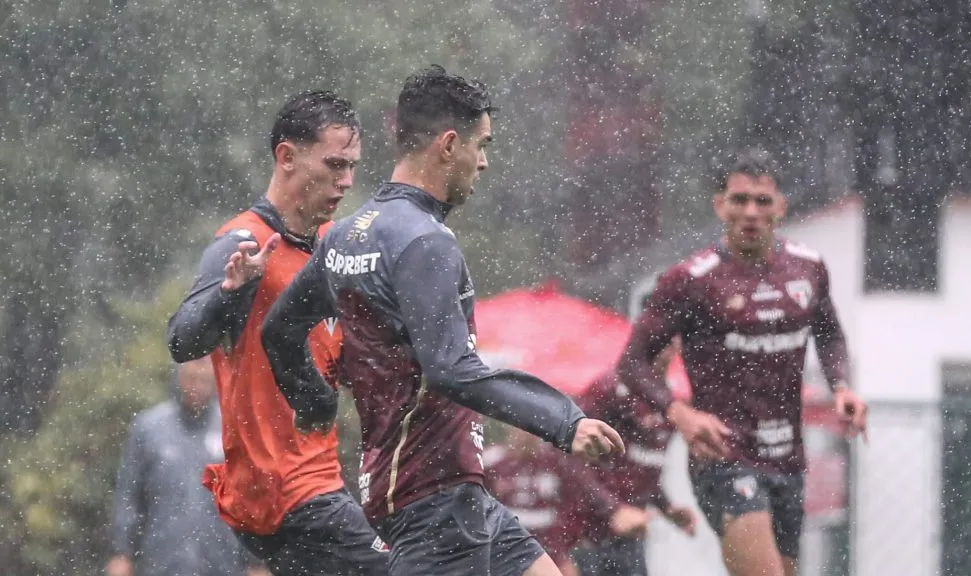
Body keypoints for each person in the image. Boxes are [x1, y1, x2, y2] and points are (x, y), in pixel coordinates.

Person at [260, 65, 624, 576]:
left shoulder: (347, 234)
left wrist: (315, 402)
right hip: (433, 499)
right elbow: (451, 370)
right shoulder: (423, 240)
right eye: (482, 145)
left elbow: (277, 331)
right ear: (449, 145)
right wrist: (565, 422)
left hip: (439, 490)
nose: (485, 162)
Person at [166, 91, 388, 576]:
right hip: (281, 488)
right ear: (286, 157)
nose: (346, 181)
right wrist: (229, 292)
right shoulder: (243, 242)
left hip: (315, 479)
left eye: (351, 166)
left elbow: (339, 363)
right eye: (333, 164)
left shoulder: (334, 246)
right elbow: (182, 342)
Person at [618, 148, 868, 576]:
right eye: (739, 200)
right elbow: (632, 362)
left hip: (788, 458)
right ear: (720, 206)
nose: (751, 212)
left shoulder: (808, 268)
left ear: (781, 206)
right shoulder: (691, 279)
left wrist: (842, 386)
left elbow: (828, 332)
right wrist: (681, 414)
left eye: (762, 201)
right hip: (725, 457)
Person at [107, 357, 269, 576]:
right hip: (161, 562)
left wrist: (257, 561)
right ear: (179, 377)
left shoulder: (233, 429)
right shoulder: (149, 429)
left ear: (215, 381)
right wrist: (121, 553)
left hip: (221, 564)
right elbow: (129, 496)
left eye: (204, 380)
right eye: (191, 378)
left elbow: (251, 498)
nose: (197, 386)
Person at [572, 337, 696, 576]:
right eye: (658, 339)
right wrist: (613, 510)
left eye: (670, 342)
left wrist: (666, 506)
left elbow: (640, 468)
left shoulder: (670, 402)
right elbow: (570, 457)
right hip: (587, 534)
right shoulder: (610, 388)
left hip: (631, 537)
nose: (663, 350)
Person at [484, 426, 649, 576]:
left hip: (550, 549)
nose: (524, 432)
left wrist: (614, 510)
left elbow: (584, 492)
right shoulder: (490, 460)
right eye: (518, 427)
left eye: (529, 427)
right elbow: (476, 509)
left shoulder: (557, 460)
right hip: (501, 550)